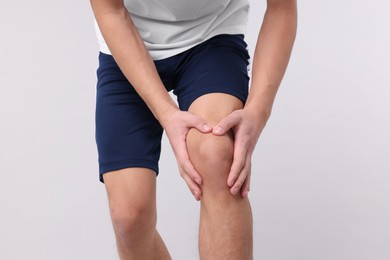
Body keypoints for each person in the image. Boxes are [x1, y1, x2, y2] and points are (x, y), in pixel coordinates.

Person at [90, 0, 297, 259]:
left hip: (211, 34)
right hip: (126, 39)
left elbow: (281, 9)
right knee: (128, 216)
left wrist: (258, 111)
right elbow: (110, 11)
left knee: (217, 155)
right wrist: (167, 114)